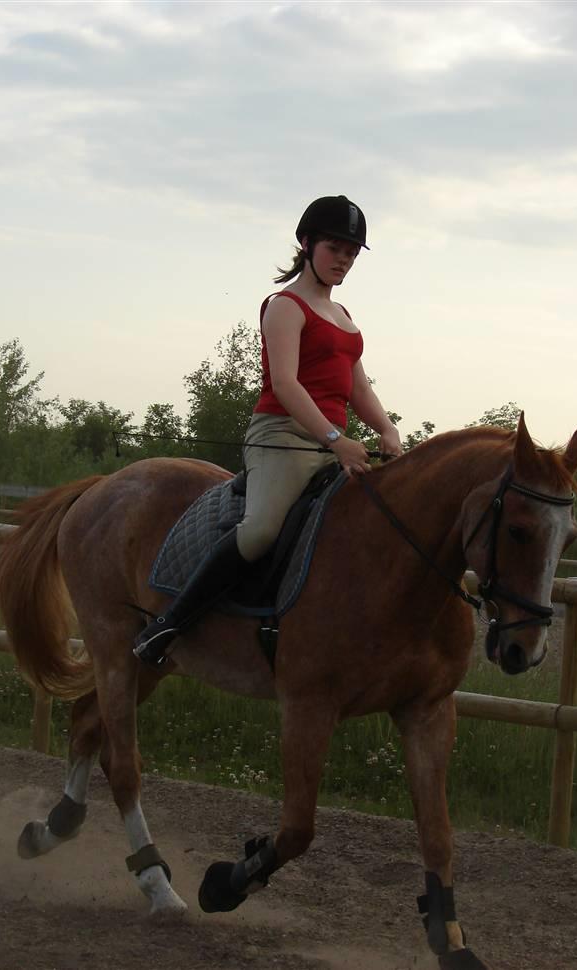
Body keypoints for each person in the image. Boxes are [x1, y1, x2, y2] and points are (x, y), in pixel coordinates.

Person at [134, 195, 402, 666]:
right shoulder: (286, 306)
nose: (344, 259)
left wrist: (386, 429)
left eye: (352, 252)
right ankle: (170, 624)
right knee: (260, 531)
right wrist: (337, 441)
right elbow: (285, 382)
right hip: (283, 437)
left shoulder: (345, 319)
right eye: (335, 248)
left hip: (331, 443)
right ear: (306, 243)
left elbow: (359, 388)